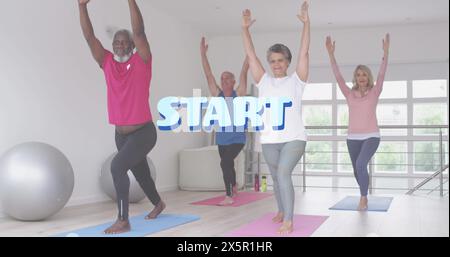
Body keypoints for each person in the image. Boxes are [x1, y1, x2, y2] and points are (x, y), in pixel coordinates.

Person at [78, 0, 165, 234]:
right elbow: (89, 38)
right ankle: (159, 203)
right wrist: (82, 7)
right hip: (121, 134)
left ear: (131, 46)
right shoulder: (106, 62)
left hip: (144, 132)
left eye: (123, 42)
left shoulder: (142, 61)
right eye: (116, 42)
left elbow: (139, 31)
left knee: (117, 167)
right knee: (141, 174)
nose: (119, 45)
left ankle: (123, 219)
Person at [241, 1, 310, 234]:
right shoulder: (264, 81)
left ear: (287, 62)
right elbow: (251, 57)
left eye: (281, 60)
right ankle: (281, 209)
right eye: (272, 61)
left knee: (283, 173)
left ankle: (288, 220)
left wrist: (306, 24)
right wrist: (245, 30)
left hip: (294, 139)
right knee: (275, 177)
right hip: (270, 139)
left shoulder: (297, 81)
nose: (276, 64)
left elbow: (304, 52)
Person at [325, 33, 390, 210]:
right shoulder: (349, 93)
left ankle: (363, 197)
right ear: (355, 77)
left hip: (371, 136)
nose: (361, 77)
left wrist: (385, 54)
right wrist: (331, 55)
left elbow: (382, 73)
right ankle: (364, 192)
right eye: (358, 75)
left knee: (361, 164)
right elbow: (338, 76)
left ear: (368, 77)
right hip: (352, 137)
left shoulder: (375, 91)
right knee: (356, 170)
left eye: (364, 75)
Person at [200, 37, 249, 205]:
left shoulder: (239, 93)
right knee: (228, 165)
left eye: (228, 78)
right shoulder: (217, 94)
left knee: (225, 162)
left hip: (237, 139)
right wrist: (203, 55)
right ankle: (233, 185)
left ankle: (228, 195)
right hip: (222, 138)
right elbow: (208, 74)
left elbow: (244, 71)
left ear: (233, 81)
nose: (224, 80)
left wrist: (248, 52)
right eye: (222, 78)